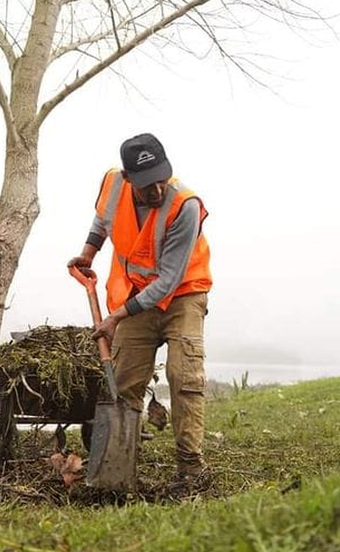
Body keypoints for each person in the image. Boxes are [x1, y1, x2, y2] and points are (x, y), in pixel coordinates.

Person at [68, 133, 213, 482]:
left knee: (183, 377)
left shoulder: (185, 206)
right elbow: (103, 220)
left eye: (162, 180)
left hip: (183, 295)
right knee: (122, 382)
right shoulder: (113, 185)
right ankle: (114, 473)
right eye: (147, 185)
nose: (157, 191)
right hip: (136, 296)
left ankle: (191, 468)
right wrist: (89, 252)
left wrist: (116, 317)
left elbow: (168, 280)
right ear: (129, 178)